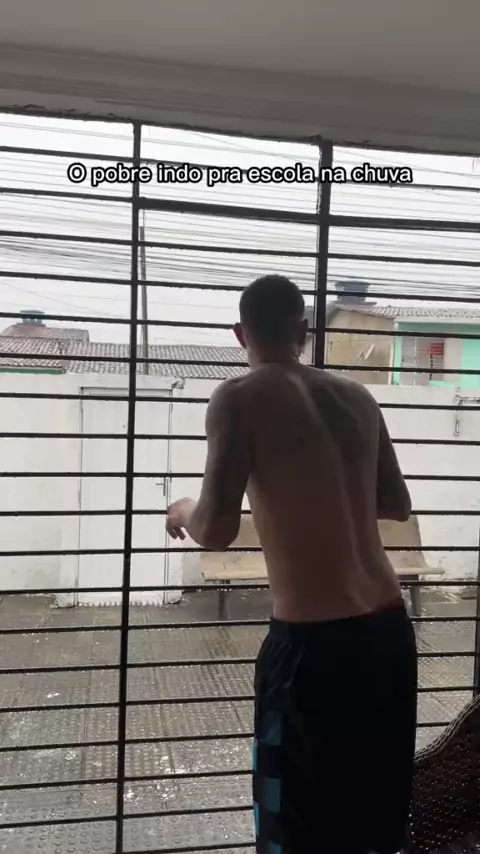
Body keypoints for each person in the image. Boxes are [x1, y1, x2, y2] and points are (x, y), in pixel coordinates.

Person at [166, 274, 418, 854]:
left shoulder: (237, 398)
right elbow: (395, 503)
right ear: (304, 331)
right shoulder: (357, 397)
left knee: (295, 827)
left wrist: (181, 509)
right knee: (374, 815)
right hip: (387, 632)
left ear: (241, 334)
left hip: (312, 650)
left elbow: (217, 528)